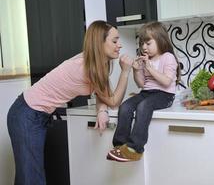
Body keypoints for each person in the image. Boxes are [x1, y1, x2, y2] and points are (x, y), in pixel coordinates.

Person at [7, 20, 133, 185]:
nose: (120, 45)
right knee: (31, 177)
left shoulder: (95, 63)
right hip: (26, 114)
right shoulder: (85, 68)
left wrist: (101, 110)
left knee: (28, 174)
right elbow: (113, 100)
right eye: (115, 41)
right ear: (99, 43)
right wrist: (125, 71)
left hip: (35, 115)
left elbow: (102, 95)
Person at [107, 21, 181, 162]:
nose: (144, 47)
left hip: (164, 95)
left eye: (148, 43)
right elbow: (141, 84)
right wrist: (136, 69)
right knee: (125, 106)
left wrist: (150, 68)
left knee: (143, 106)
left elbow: (166, 82)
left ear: (160, 40)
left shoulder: (167, 57)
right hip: (147, 93)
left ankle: (135, 148)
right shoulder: (147, 60)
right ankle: (120, 146)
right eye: (142, 44)